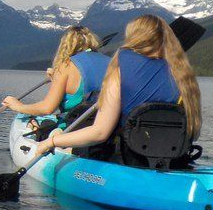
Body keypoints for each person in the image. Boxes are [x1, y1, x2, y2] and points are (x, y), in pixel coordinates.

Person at [35, 14, 201, 158]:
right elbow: (195, 131)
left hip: (127, 157)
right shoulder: (183, 73)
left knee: (60, 133)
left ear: (134, 38)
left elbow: (100, 132)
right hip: (175, 157)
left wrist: (52, 141)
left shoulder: (121, 64)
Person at [1, 25, 110, 128]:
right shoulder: (111, 63)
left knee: (35, 123)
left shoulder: (66, 66)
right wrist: (56, 78)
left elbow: (47, 108)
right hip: (107, 126)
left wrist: (18, 106)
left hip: (74, 128)